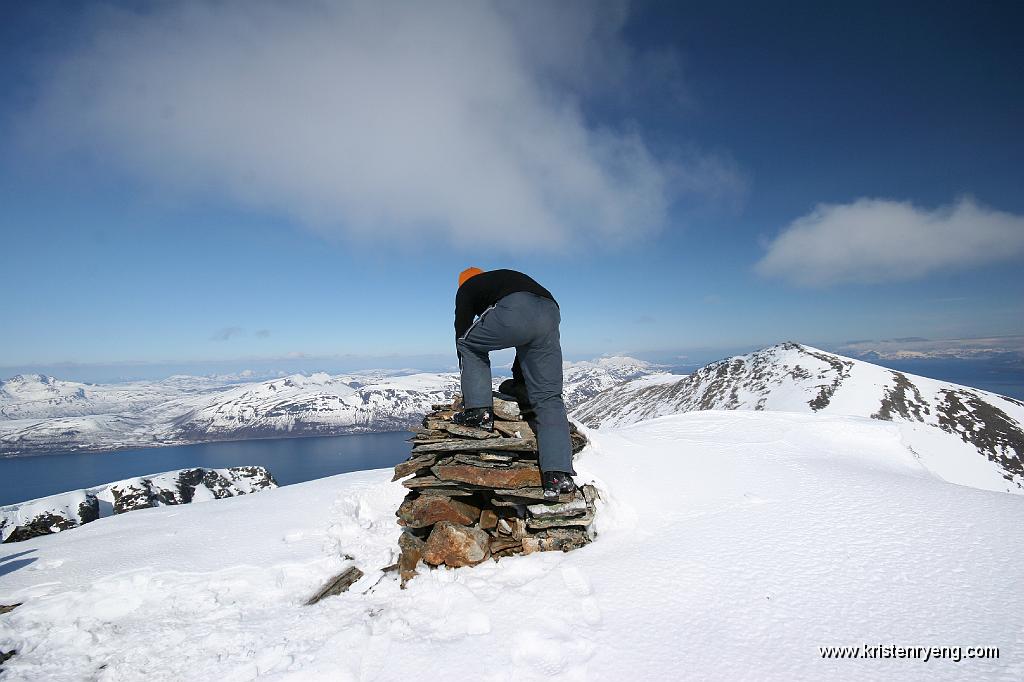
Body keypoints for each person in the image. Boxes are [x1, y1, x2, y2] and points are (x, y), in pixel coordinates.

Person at [451, 267, 577, 498]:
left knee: (468, 343)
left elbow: (462, 330)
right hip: (550, 310)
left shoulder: (467, 287)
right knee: (548, 397)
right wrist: (521, 382)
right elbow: (525, 338)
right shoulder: (500, 281)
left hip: (517, 307)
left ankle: (479, 413)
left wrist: (465, 361)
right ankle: (558, 474)